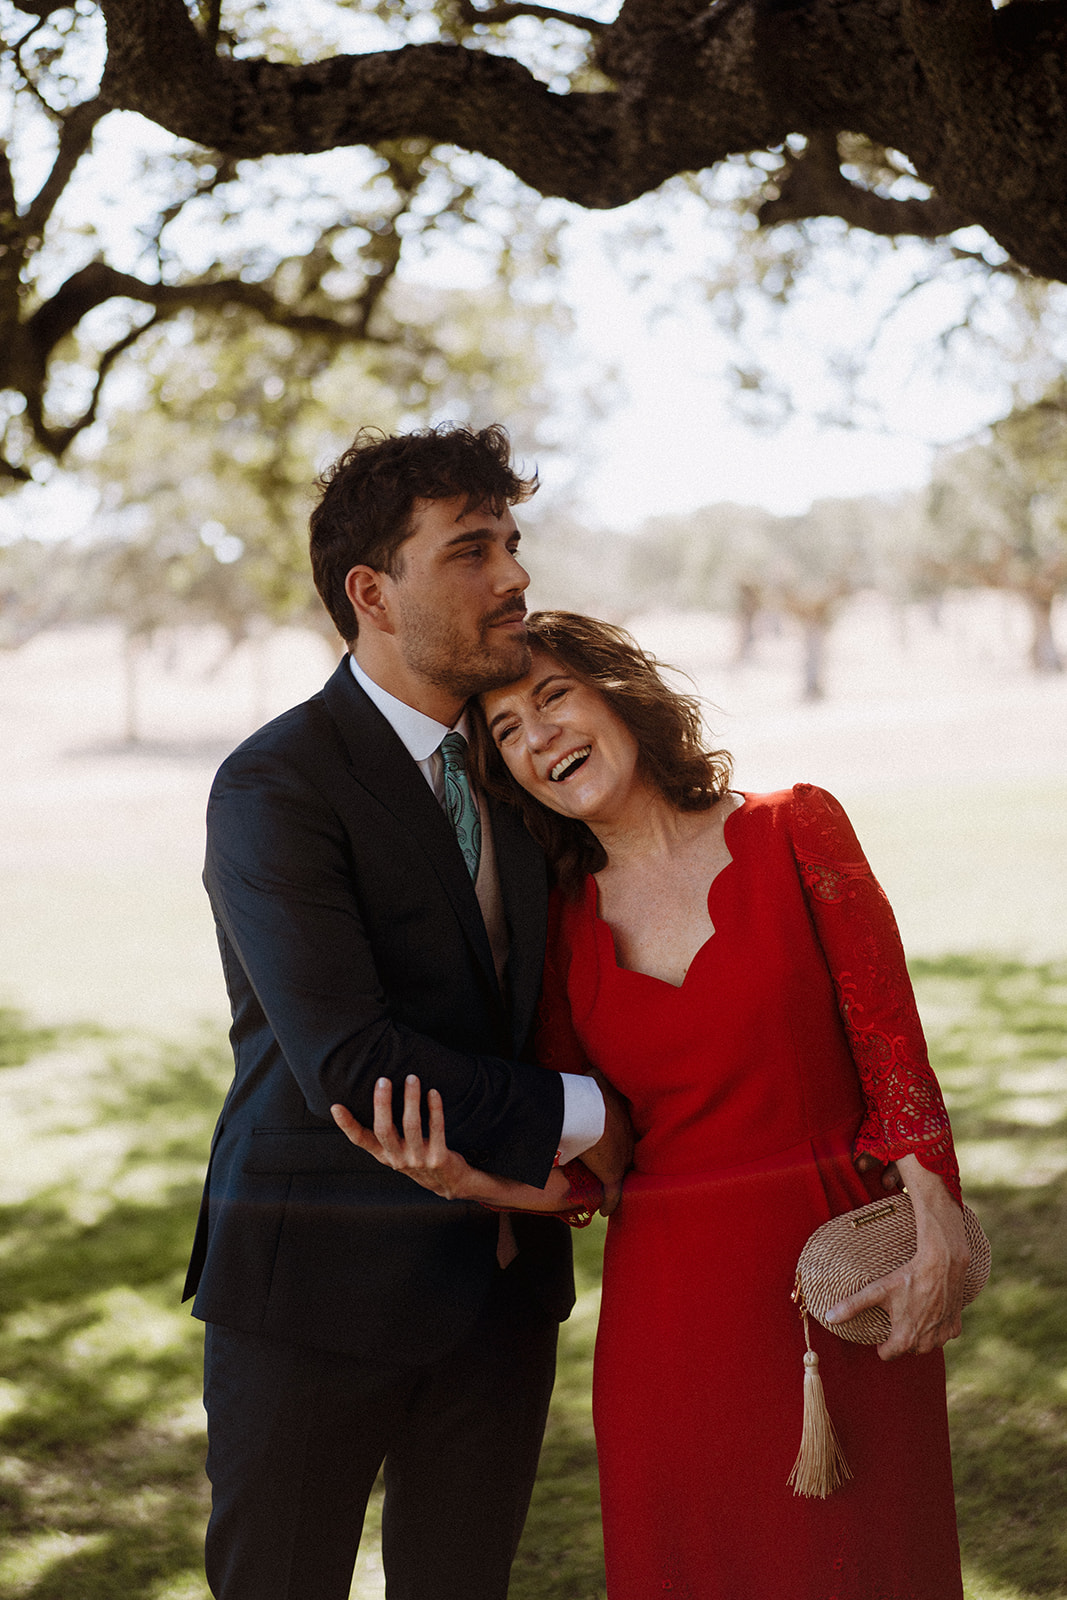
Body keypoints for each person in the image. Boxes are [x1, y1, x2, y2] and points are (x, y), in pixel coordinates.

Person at [331, 609, 972, 1600]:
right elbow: (598, 1169)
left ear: (619, 693)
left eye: (553, 696)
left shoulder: (794, 826)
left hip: (843, 1280)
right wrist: (469, 1180)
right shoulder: (557, 927)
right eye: (506, 730)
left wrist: (937, 1216)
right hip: (666, 1321)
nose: (538, 736)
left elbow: (890, 1046)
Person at [183, 436, 632, 1600]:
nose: (513, 576)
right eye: (470, 550)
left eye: (512, 544)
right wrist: (596, 1115)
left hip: (501, 1293)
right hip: (312, 1294)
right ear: (371, 593)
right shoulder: (273, 784)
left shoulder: (525, 762)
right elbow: (353, 1060)